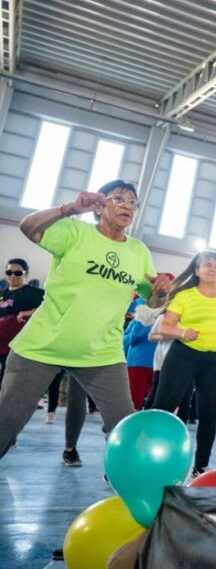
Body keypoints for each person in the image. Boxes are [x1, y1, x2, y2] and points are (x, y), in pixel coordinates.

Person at [0, 182, 172, 460]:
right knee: (6, 423)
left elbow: (151, 300)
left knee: (124, 428)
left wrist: (162, 293)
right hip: (41, 346)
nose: (127, 205)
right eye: (119, 199)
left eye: (133, 202)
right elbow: (27, 227)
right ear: (100, 205)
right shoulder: (75, 231)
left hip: (101, 354)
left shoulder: (139, 251)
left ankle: (126, 479)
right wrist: (68, 209)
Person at [152, 251, 216, 477]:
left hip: (214, 361)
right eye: (207, 265)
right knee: (162, 410)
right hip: (183, 356)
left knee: (209, 415)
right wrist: (182, 332)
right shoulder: (185, 296)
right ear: (197, 271)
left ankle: (200, 467)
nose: (213, 268)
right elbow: (164, 327)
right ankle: (146, 457)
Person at [0, 258, 45, 391]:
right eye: (9, 272)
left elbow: (50, 308)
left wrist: (28, 312)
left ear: (26, 273)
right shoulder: (2, 294)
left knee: (9, 382)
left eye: (18, 273)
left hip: (18, 347)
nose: (13, 276)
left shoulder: (34, 293)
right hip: (1, 344)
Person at [122, 304, 161, 409]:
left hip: (157, 365)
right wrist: (140, 322)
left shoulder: (164, 320)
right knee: (135, 400)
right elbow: (129, 340)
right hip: (137, 364)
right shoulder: (137, 322)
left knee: (155, 401)